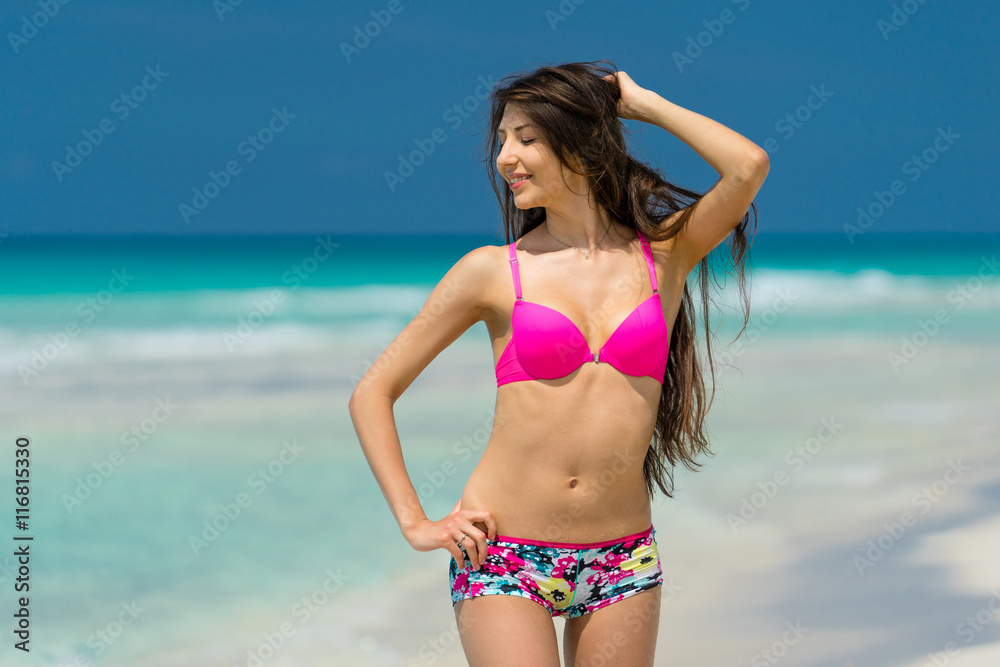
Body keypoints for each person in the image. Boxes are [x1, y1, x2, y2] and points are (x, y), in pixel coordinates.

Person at [349, 59, 768, 666]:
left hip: (622, 556)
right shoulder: (492, 271)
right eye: (501, 142)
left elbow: (747, 166)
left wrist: (643, 102)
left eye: (526, 139)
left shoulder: (665, 253)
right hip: (505, 555)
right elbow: (373, 391)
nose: (504, 159)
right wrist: (417, 523)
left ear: (581, 142)